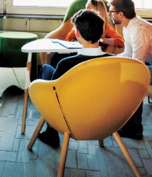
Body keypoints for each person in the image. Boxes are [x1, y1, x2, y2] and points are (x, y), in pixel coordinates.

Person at [38, 9, 110, 148]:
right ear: (101, 33)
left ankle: (51, 132)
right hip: (104, 117)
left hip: (71, 117)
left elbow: (54, 96)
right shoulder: (115, 63)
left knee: (47, 71)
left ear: (77, 33)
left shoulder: (66, 63)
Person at [109, 0, 152, 139]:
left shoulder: (139, 29)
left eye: (111, 11)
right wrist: (108, 60)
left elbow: (138, 64)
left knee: (133, 79)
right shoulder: (128, 27)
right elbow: (127, 53)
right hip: (147, 62)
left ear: (121, 14)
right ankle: (119, 120)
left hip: (145, 64)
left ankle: (134, 128)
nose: (109, 14)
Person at [49, 0, 124, 68]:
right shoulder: (79, 26)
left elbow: (120, 41)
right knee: (56, 55)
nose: (85, 10)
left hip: (94, 56)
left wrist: (101, 39)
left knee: (49, 66)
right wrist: (80, 39)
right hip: (79, 51)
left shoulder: (105, 27)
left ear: (96, 10)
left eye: (88, 8)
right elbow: (68, 39)